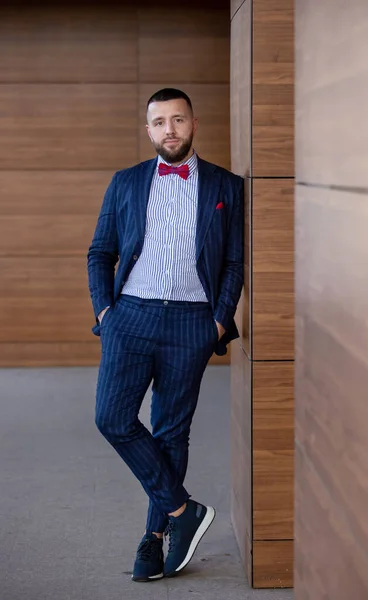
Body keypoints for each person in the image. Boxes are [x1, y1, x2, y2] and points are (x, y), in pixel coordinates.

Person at [87, 88, 244, 582]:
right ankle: (182, 510)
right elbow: (100, 252)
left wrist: (218, 320)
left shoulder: (226, 185)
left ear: (194, 124)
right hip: (129, 316)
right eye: (159, 122)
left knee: (172, 431)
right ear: (149, 130)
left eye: (178, 120)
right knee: (112, 418)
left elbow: (235, 260)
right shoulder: (126, 182)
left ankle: (155, 536)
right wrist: (107, 311)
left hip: (191, 323)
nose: (169, 129)